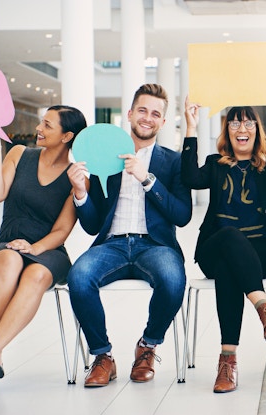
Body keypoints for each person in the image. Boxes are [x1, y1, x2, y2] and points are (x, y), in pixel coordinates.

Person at [66, 83, 192, 388]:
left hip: (155, 245)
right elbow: (93, 225)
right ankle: (103, 356)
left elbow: (182, 215)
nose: (147, 118)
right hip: (112, 244)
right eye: (142, 110)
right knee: (78, 277)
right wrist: (81, 193)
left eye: (155, 114)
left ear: (163, 122)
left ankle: (147, 346)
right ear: (130, 114)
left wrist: (147, 179)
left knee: (174, 278)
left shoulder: (173, 162)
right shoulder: (103, 158)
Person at [181, 96, 266, 393]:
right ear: (227, 129)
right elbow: (189, 178)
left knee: (228, 267)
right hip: (216, 247)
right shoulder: (214, 164)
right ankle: (265, 311)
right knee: (231, 238)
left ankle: (227, 359)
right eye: (235, 122)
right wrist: (191, 127)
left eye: (248, 122)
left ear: (257, 130)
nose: (241, 128)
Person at [0, 106, 87, 396]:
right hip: (7, 245)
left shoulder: (75, 175)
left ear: (67, 136)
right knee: (9, 259)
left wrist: (34, 247)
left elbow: (62, 230)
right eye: (41, 122)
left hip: (48, 251)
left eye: (47, 125)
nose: (39, 128)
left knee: (35, 274)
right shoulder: (19, 153)